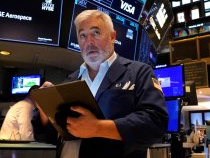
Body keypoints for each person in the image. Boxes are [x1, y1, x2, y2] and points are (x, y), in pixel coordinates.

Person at [53, 10, 168, 158]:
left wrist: (98, 128)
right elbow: (52, 135)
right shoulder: (71, 79)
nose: (89, 41)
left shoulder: (139, 72)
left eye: (95, 32)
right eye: (83, 35)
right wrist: (45, 112)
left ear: (113, 36)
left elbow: (156, 122)